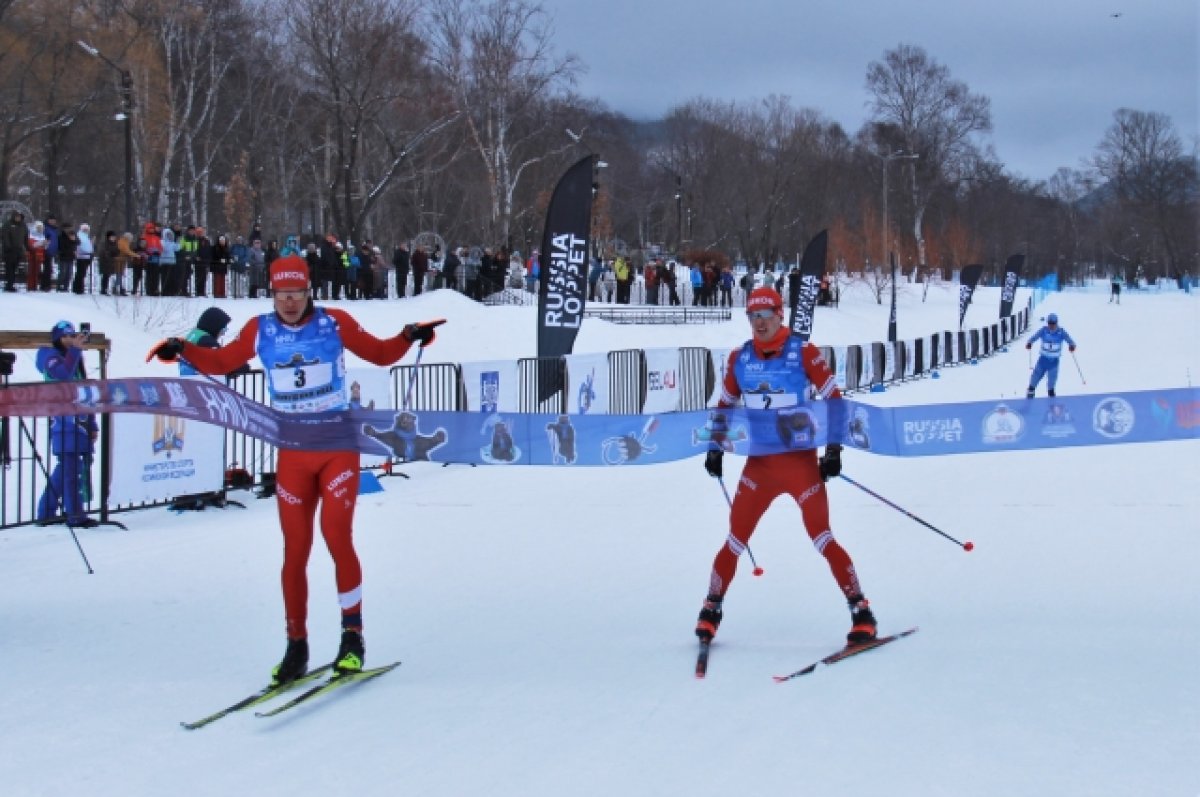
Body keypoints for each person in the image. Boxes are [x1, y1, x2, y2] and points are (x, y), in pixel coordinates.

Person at [149, 256, 443, 684]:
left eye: (296, 294)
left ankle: (352, 638)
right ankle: (296, 646)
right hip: (292, 452)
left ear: (309, 292)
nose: (288, 303)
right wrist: (185, 349)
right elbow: (223, 361)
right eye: (281, 295)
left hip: (336, 447)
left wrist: (408, 336)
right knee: (295, 552)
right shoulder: (260, 329)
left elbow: (380, 354)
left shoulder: (334, 323)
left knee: (337, 537)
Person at [695, 286, 877, 645]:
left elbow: (835, 402)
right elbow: (725, 405)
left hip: (800, 465)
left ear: (780, 315)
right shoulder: (740, 358)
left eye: (765, 315)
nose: (759, 323)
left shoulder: (804, 352)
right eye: (753, 316)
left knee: (822, 536)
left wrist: (834, 450)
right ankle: (711, 608)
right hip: (759, 467)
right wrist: (715, 446)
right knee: (735, 540)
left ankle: (861, 610)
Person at [35, 322, 99, 528]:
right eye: (68, 336)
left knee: (69, 467)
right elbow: (62, 375)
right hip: (62, 421)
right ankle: (75, 515)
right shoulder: (50, 356)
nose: (72, 340)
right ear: (58, 338)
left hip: (79, 419)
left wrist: (93, 424)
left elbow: (84, 390)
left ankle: (46, 511)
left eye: (74, 336)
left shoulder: (75, 357)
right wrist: (76, 350)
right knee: (71, 468)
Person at [179, 307, 250, 379]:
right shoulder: (206, 342)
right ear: (214, 326)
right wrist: (241, 366)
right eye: (223, 329)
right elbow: (222, 362)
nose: (223, 333)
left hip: (189, 385)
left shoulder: (193, 336)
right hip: (202, 385)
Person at [1025, 312, 1077, 398]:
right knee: (1033, 381)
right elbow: (1035, 337)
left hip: (1053, 363)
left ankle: (1052, 406)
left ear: (1057, 323)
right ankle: (1029, 402)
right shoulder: (1044, 330)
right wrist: (1030, 342)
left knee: (1051, 386)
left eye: (1053, 324)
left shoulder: (1061, 332)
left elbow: (1069, 340)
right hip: (1042, 361)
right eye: (1050, 323)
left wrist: (1072, 346)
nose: (1051, 326)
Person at [1, 209, 24, 292]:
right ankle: (9, 285)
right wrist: (8, 246)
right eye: (17, 217)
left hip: (18, 250)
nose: (18, 218)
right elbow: (5, 236)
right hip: (9, 251)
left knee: (14, 268)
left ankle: (11, 283)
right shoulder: (7, 225)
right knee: (9, 268)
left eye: (19, 217)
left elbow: (25, 237)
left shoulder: (23, 225)